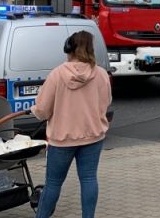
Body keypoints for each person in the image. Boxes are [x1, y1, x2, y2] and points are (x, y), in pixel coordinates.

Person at [32, 31, 112, 218]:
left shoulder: (57, 74)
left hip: (62, 139)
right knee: (89, 179)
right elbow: (106, 102)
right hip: (93, 136)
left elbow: (43, 109)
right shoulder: (100, 74)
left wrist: (36, 111)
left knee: (52, 183)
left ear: (69, 48)